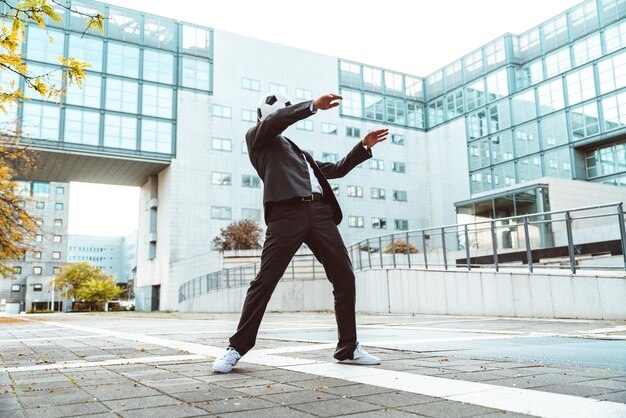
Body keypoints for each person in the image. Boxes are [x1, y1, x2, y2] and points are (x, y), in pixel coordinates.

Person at [212, 93, 388, 373]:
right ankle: (236, 347)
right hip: (286, 214)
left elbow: (337, 169)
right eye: (283, 112)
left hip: (320, 214)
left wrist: (362, 147)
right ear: (265, 116)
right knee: (265, 280)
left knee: (344, 276)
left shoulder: (300, 154)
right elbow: (276, 122)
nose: (285, 116)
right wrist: (312, 106)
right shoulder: (256, 138)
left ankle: (348, 348)